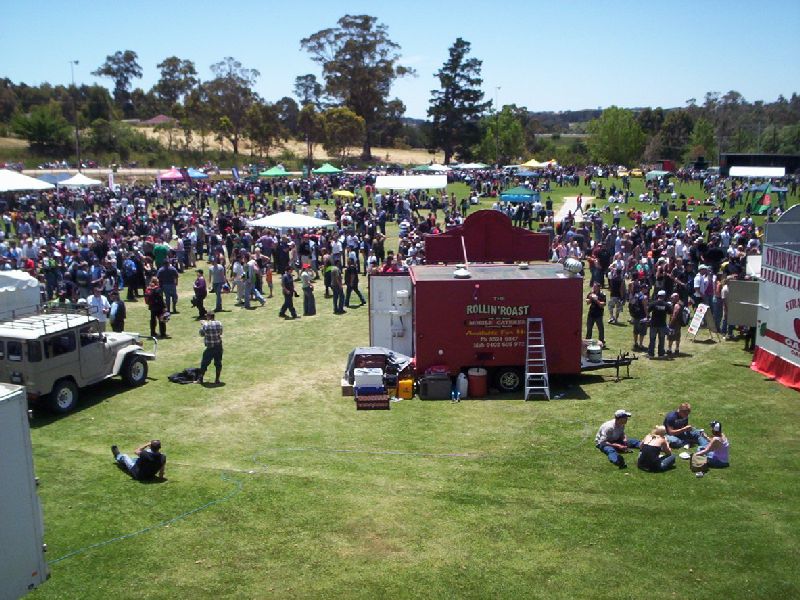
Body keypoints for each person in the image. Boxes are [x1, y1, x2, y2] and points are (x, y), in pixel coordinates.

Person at [198, 311, 223, 384]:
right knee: (218, 363)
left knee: (204, 363)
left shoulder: (206, 325)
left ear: (209, 317)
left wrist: (203, 325)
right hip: (218, 346)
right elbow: (221, 333)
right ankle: (217, 379)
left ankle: (200, 379)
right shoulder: (219, 323)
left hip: (210, 348)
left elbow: (201, 334)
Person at [647, 289, 672, 358]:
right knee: (661, 340)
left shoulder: (653, 303)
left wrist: (648, 318)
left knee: (652, 340)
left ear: (658, 295)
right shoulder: (666, 305)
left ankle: (651, 354)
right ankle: (661, 354)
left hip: (653, 325)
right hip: (662, 325)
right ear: (664, 296)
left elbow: (648, 311)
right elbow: (670, 313)